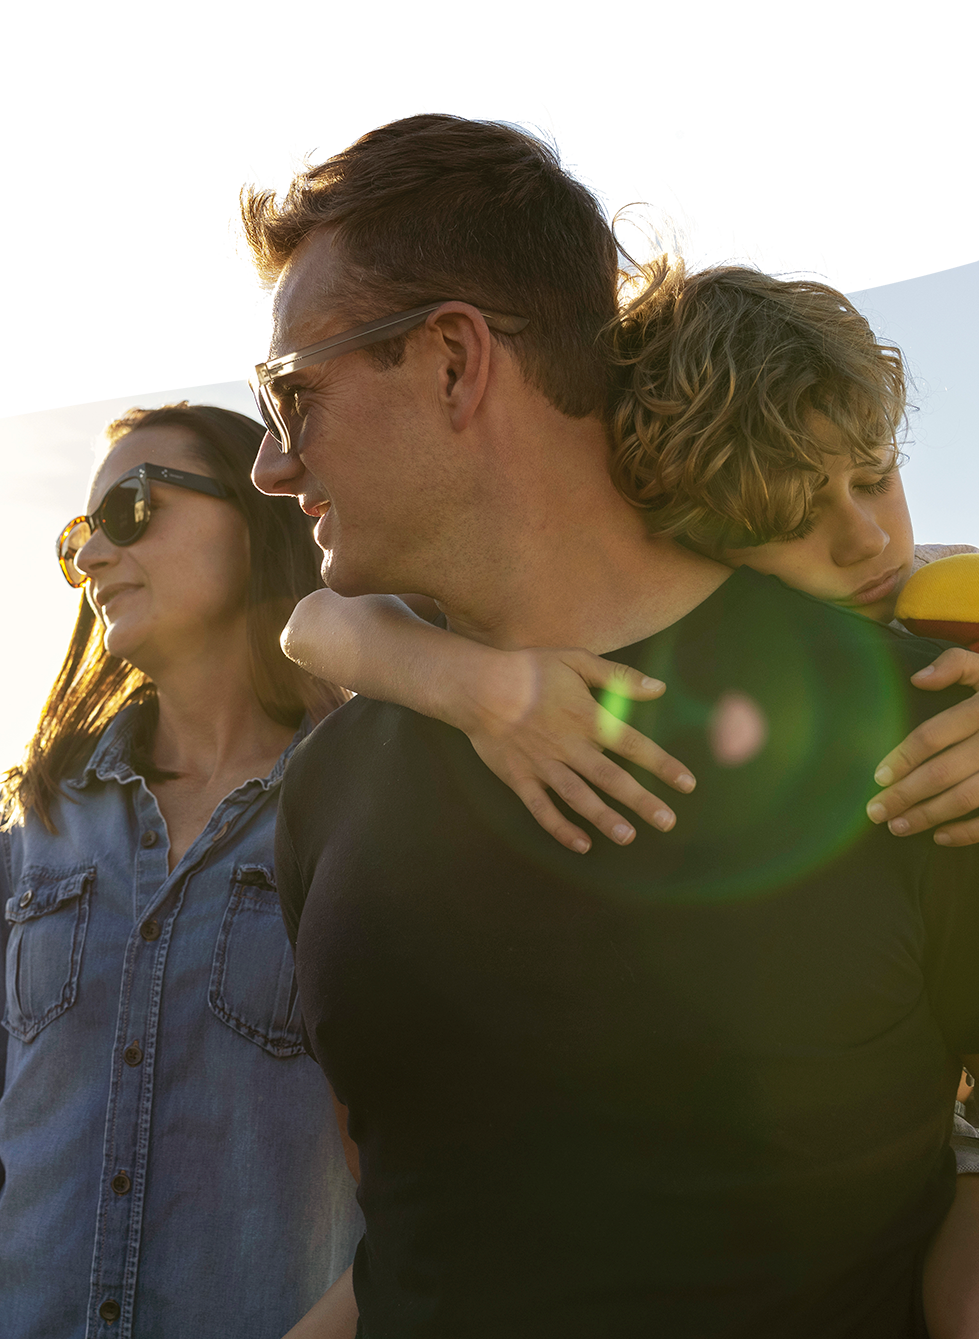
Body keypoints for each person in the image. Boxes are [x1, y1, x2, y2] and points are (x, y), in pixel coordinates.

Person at [241, 114, 978, 1336]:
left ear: (450, 360)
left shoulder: (924, 735)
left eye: (292, 393)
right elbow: (421, 1245)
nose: (271, 463)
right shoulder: (324, 787)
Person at [0, 404, 360, 1339]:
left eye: (132, 509)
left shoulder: (358, 804)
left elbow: (423, 1165)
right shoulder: (37, 818)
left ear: (254, 511)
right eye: (78, 535)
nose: (93, 555)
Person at [276, 259, 979, 855]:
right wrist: (475, 687)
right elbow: (319, 622)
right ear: (683, 523)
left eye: (875, 477)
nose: (869, 539)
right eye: (789, 514)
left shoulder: (946, 592)